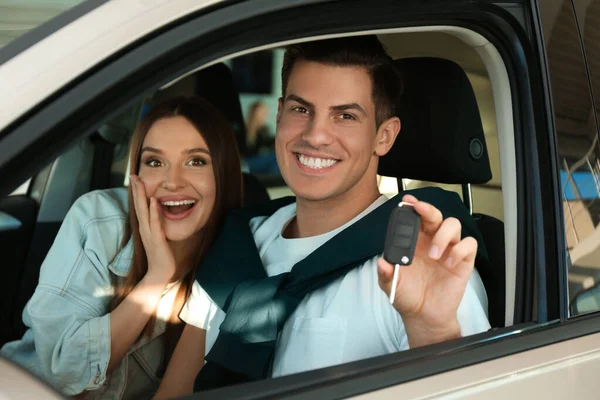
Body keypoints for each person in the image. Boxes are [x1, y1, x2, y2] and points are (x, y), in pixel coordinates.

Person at [154, 35, 491, 398]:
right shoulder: (240, 240)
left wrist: (433, 332)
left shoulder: (424, 264)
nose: (315, 135)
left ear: (384, 136)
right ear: (280, 113)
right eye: (301, 109)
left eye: (345, 116)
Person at [0, 96, 243, 399]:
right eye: (155, 162)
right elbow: (63, 374)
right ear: (137, 176)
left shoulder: (235, 260)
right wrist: (156, 278)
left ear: (224, 172)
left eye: (196, 161)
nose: (172, 181)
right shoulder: (100, 221)